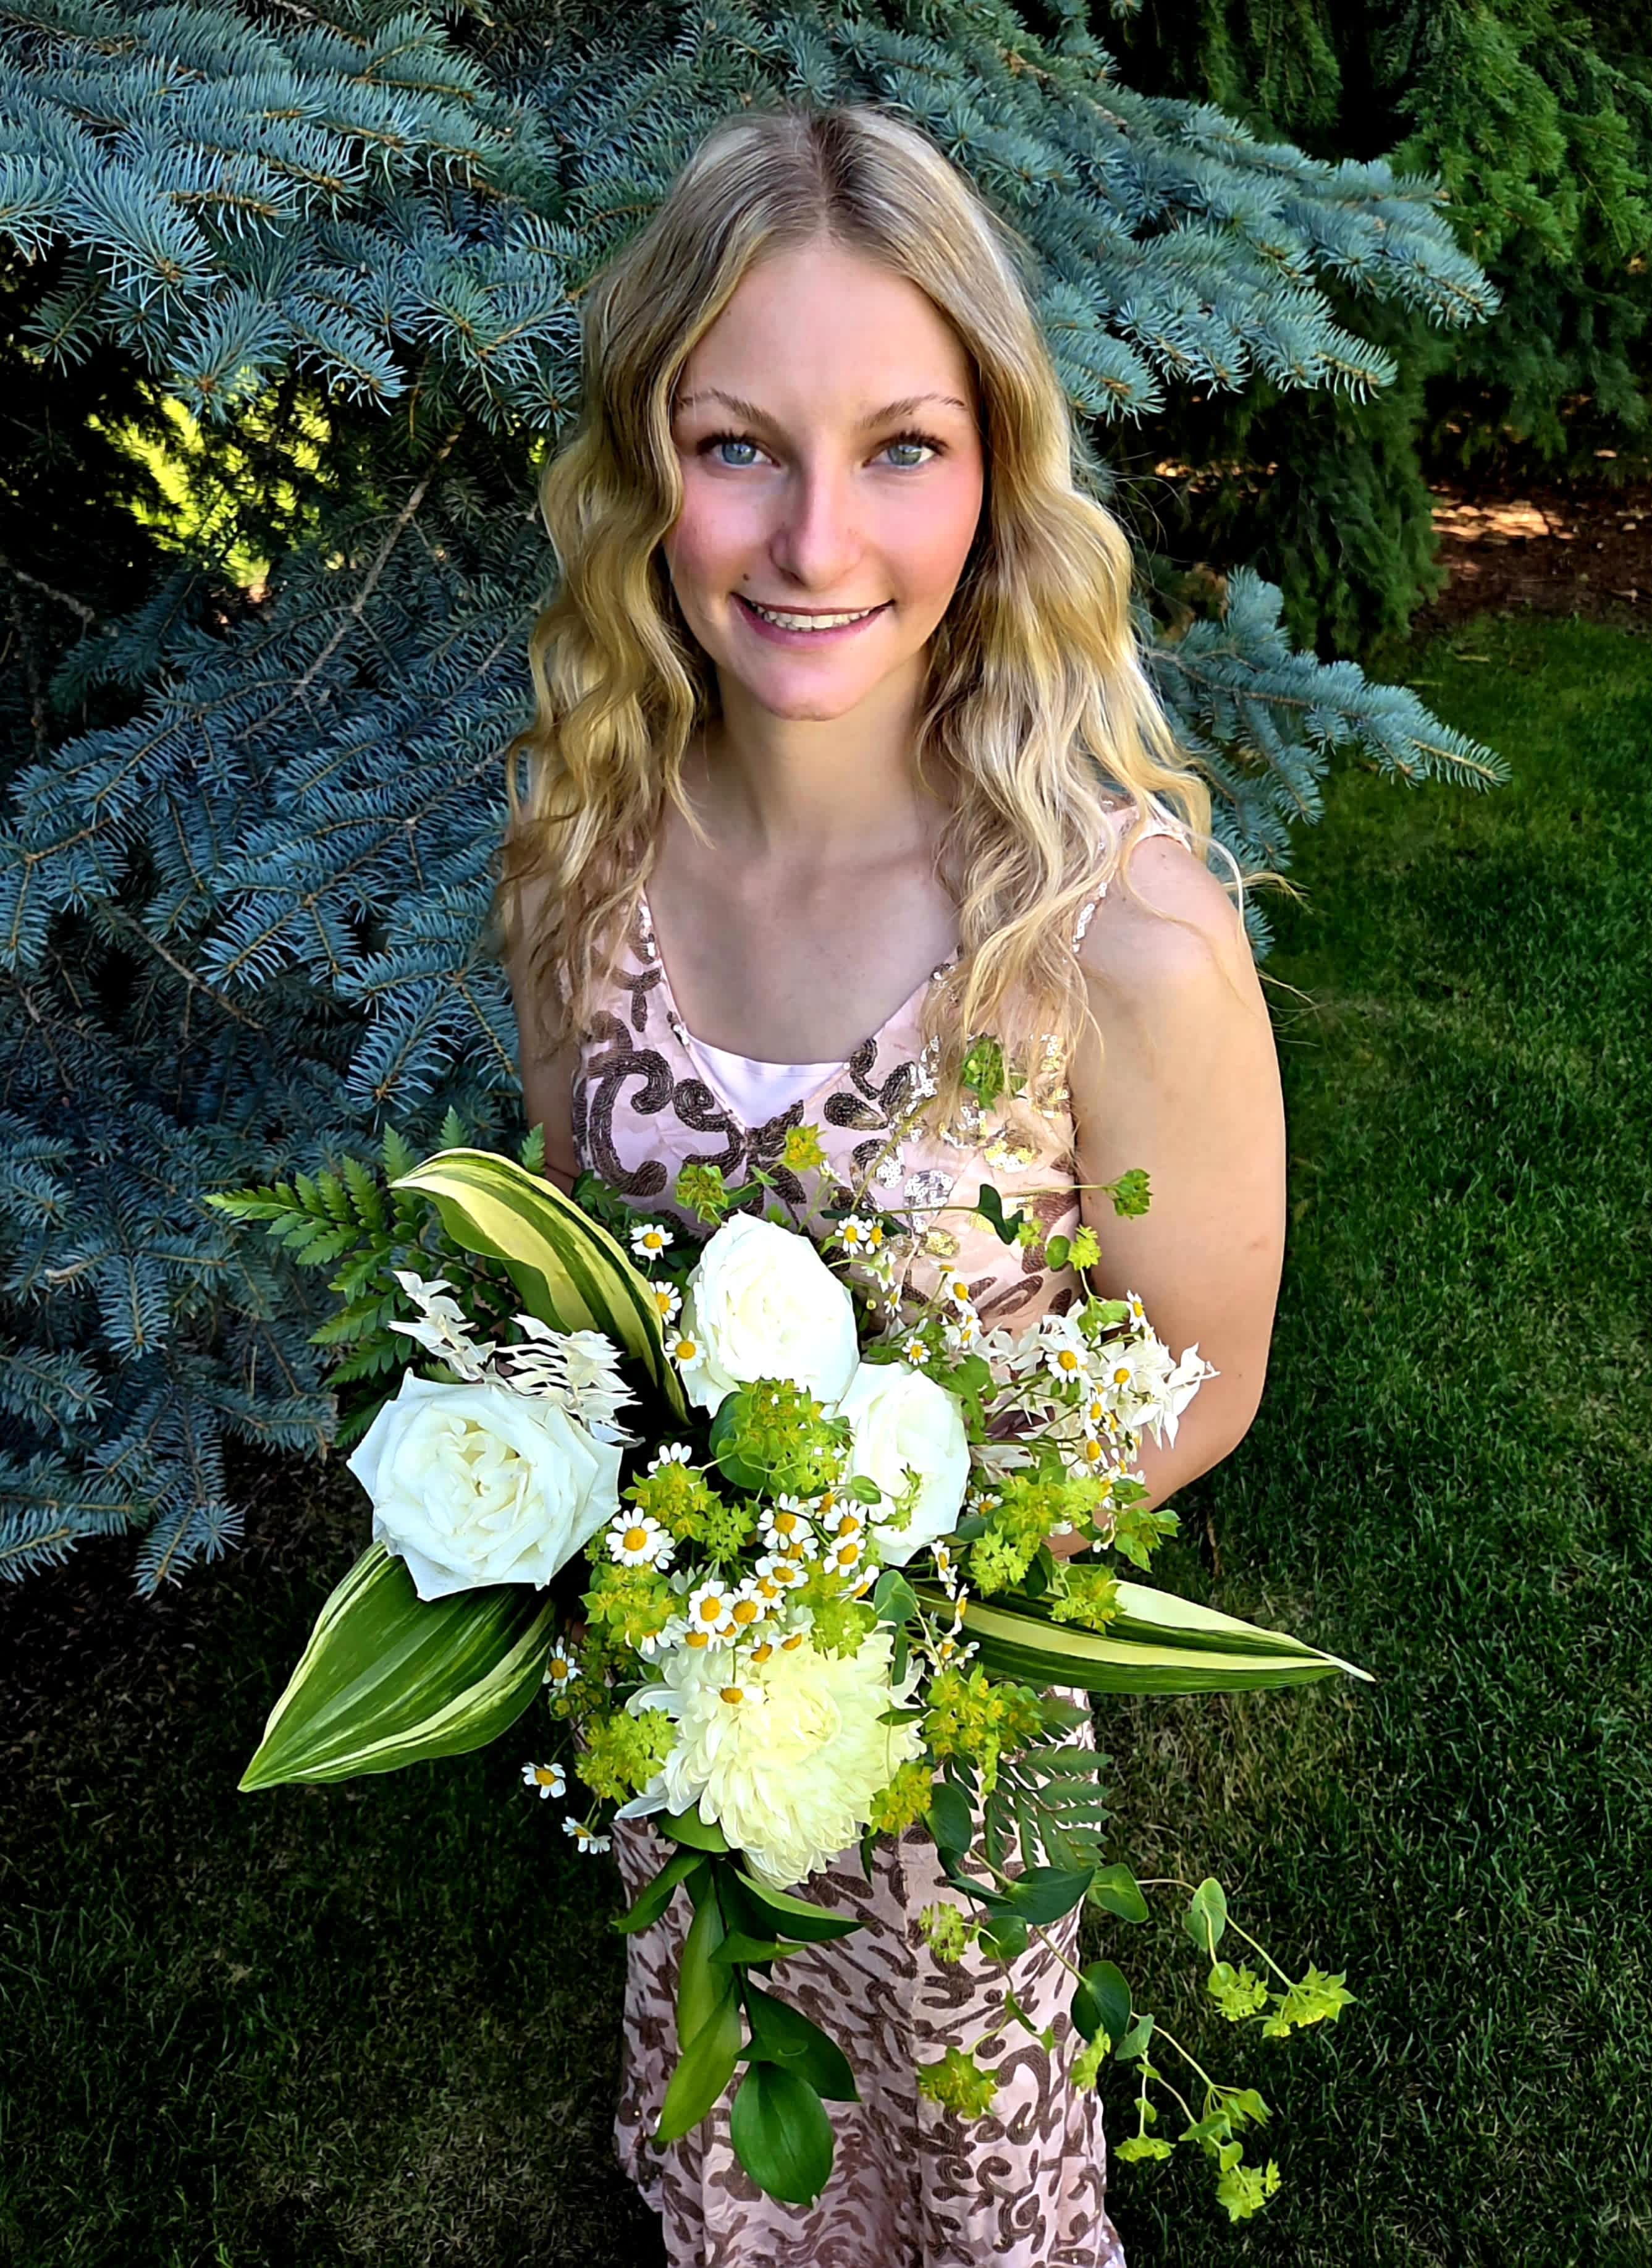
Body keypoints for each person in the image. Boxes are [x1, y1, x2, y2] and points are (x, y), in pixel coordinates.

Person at [494, 100, 1286, 2268]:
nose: (813, 540)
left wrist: (860, 1594)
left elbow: (1197, 1382)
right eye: (736, 445)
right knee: (737, 2123)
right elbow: (576, 1256)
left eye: (901, 449)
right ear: (644, 462)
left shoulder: (1115, 935)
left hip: (963, 1741)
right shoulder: (585, 857)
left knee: (962, 2142)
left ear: (996, 469)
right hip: (680, 1726)